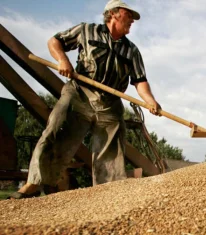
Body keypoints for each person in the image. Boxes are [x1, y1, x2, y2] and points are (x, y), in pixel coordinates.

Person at [8, 0, 161, 199]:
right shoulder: (86, 30)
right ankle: (34, 183)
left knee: (111, 150)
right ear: (113, 14)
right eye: (128, 14)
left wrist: (150, 101)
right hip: (79, 94)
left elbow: (140, 81)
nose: (132, 19)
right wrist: (63, 60)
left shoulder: (131, 51)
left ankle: (107, 194)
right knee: (56, 130)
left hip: (109, 102)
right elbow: (54, 41)